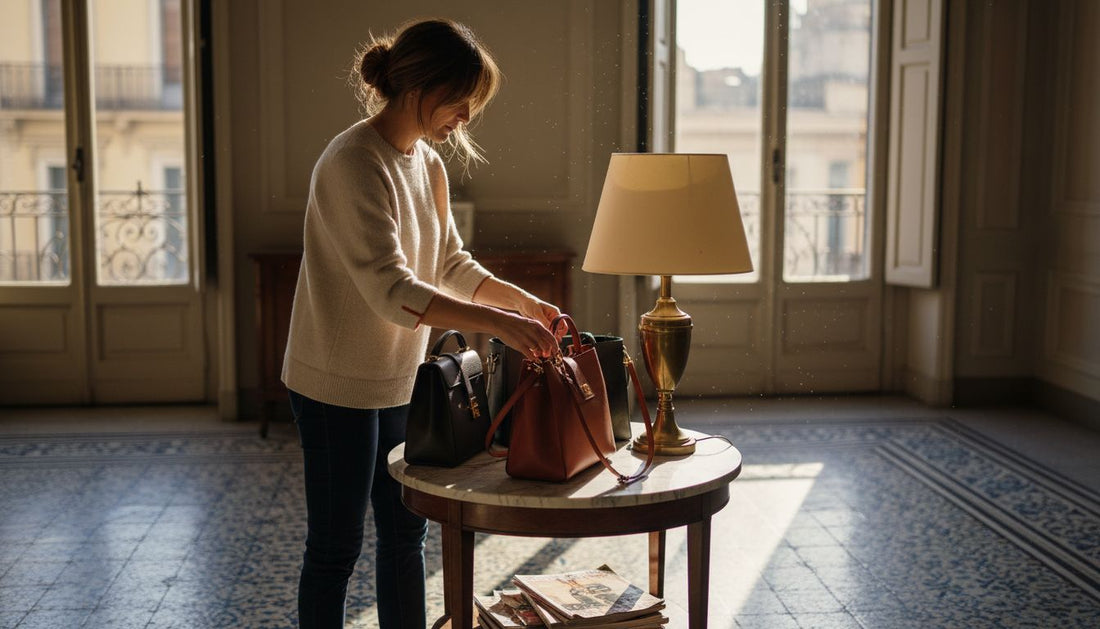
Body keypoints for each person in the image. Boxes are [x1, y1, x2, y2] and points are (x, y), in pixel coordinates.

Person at [281, 18, 560, 629]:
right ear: (419, 87)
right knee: (335, 549)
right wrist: (498, 324)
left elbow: (450, 263)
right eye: (460, 101)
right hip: (334, 386)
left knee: (406, 536)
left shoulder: (426, 163)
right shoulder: (353, 161)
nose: (466, 116)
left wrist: (522, 304)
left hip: (397, 380)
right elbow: (392, 290)